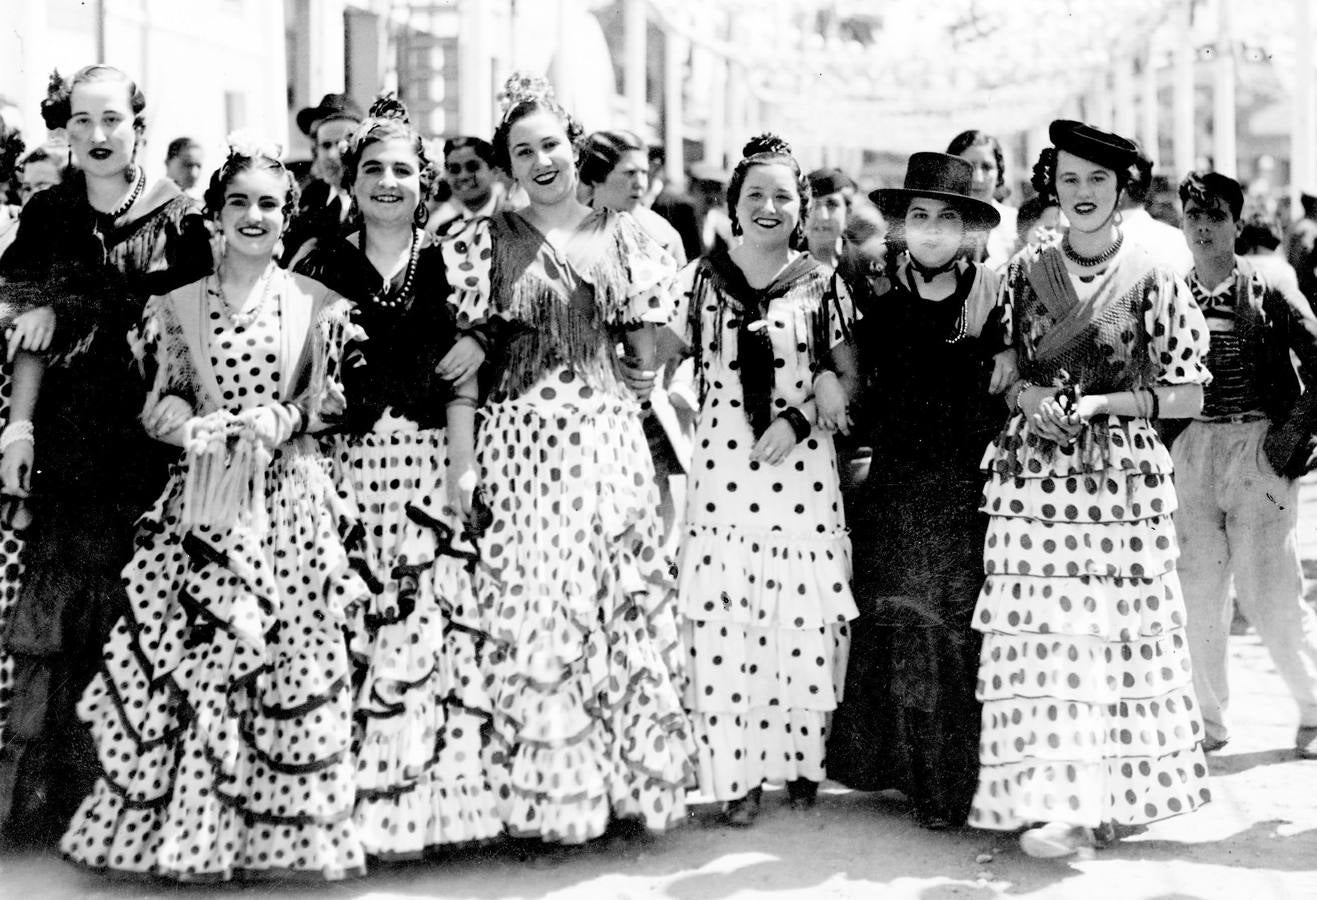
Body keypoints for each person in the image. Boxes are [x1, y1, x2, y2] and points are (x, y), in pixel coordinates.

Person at [60, 138, 372, 881]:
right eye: (239, 202)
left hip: (286, 505)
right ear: (215, 215)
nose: (254, 215)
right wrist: (185, 426)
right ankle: (194, 839)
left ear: (287, 216)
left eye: (269, 203)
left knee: (285, 659)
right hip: (202, 505)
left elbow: (328, 400)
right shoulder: (174, 306)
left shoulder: (315, 304)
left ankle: (278, 843)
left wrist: (284, 421)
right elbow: (160, 398)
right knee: (200, 664)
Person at [443, 73, 694, 844]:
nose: (541, 160)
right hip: (519, 443)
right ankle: (547, 802)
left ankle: (620, 793)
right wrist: (462, 462)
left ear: (573, 145)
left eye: (551, 144)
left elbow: (652, 345)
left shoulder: (628, 234)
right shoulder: (477, 243)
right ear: (506, 166)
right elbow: (465, 375)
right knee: (537, 613)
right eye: (523, 151)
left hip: (605, 440)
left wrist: (646, 355)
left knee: (610, 608)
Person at [972, 120, 1212, 858]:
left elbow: (1186, 397)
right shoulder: (1025, 270)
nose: (1080, 194)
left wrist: (1101, 406)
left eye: (1096, 182)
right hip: (1035, 478)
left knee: (1109, 639)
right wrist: (1027, 405)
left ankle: (1101, 800)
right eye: (1069, 179)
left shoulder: (1152, 273)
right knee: (1047, 642)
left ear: (1121, 190)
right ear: (1052, 183)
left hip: (1117, 484)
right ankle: (1054, 802)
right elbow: (1005, 375)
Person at [0, 65, 212, 844]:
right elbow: (26, 329)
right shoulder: (50, 213)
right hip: (66, 439)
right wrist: (17, 430)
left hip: (147, 447)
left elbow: (200, 337)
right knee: (65, 619)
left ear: (138, 128)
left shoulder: (182, 222)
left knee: (140, 613)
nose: (96, 136)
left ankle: (136, 802)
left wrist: (182, 402)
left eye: (112, 120)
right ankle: (59, 803)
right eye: (81, 121)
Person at [295, 97, 502, 855]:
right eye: (373, 169)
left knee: (422, 631)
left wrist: (462, 473)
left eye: (403, 170)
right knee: (349, 629)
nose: (388, 182)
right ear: (352, 180)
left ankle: (426, 814)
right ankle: (345, 816)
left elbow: (460, 383)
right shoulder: (319, 262)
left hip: (422, 469)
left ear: (425, 182)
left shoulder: (453, 260)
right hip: (345, 471)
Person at [672, 134, 859, 827]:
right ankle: (735, 775)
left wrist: (804, 415)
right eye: (755, 194)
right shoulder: (701, 280)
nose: (769, 206)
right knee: (729, 625)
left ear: (801, 208)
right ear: (731, 205)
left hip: (800, 474)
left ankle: (798, 763)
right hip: (723, 471)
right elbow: (661, 353)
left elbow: (846, 375)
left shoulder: (820, 281)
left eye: (783, 195)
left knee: (800, 621)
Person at [827, 152, 1012, 829]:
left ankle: (952, 781)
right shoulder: (875, 297)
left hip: (968, 486)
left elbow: (1024, 365)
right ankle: (909, 772)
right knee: (905, 623)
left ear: (968, 231)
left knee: (957, 631)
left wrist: (1012, 354)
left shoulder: (994, 296)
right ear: (901, 229)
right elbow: (847, 372)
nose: (932, 231)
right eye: (919, 218)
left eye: (948, 220)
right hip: (899, 485)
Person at [1169, 171, 1317, 760]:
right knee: (1197, 592)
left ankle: (1314, 709)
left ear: (1236, 222)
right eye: (1193, 218)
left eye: (1215, 217)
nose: (1203, 229)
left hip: (1256, 446)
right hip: (1191, 450)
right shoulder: (1169, 291)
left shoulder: (1268, 289)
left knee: (1271, 592)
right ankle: (1208, 719)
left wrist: (1292, 435)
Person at [580, 129, 696, 544]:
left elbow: (683, 318)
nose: (640, 184)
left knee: (650, 505)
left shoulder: (662, 233)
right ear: (596, 175)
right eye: (628, 173)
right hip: (584, 396)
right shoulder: (570, 233)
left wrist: (654, 370)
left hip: (647, 398)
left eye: (644, 173)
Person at [283, 92, 364, 264]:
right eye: (325, 144)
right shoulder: (311, 196)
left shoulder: (370, 201)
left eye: (343, 143)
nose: (333, 155)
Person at [947, 129, 1018, 270]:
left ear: (999, 173)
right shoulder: (937, 222)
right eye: (969, 167)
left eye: (987, 167)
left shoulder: (1015, 224)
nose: (978, 178)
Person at [427, 136, 508, 238]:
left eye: (472, 166)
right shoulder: (443, 231)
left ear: (494, 171)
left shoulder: (516, 222)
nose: (463, 176)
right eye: (454, 169)